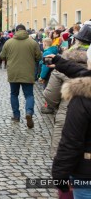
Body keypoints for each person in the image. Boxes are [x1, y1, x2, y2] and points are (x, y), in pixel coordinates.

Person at [51, 46, 91, 198]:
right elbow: (82, 73)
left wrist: (60, 175)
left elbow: (72, 141)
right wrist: (60, 62)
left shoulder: (83, 97)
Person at [0, 24, 42, 128]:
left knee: (14, 94)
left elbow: (2, 56)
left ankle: (16, 116)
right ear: (25, 30)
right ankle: (28, 112)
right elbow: (39, 57)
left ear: (16, 31)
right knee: (29, 95)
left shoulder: (8, 42)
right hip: (28, 72)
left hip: (13, 72)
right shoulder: (33, 42)